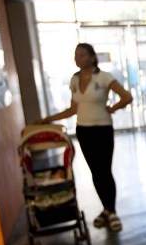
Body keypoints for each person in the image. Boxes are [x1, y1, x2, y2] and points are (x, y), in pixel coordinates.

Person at [36, 43, 133, 232]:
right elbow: (73, 109)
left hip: (102, 130)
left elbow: (127, 97)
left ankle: (112, 212)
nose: (77, 58)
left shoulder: (104, 77)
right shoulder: (74, 79)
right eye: (75, 55)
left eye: (81, 55)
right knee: (95, 172)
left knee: (105, 171)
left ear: (91, 57)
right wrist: (48, 119)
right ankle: (106, 209)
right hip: (84, 131)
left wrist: (112, 108)